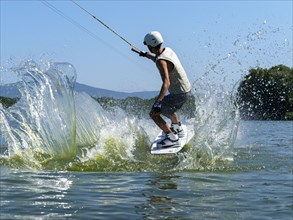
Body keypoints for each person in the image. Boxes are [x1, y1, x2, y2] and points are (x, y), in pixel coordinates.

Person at [138, 31, 191, 148]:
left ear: (150, 46)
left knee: (154, 113)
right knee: (168, 108)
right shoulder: (168, 50)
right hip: (186, 90)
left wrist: (158, 101)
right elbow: (158, 57)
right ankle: (177, 128)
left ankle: (172, 138)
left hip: (179, 94)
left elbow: (166, 83)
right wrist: (146, 54)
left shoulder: (161, 61)